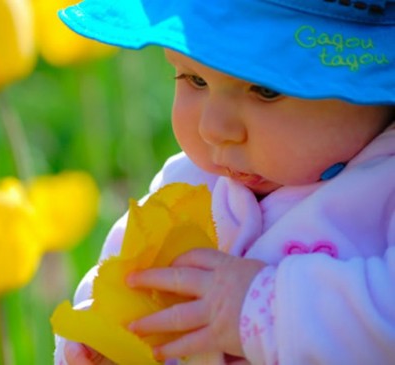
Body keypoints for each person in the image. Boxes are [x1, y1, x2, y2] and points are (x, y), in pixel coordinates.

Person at [54, 0, 395, 364]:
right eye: (195, 79)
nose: (213, 129)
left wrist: (260, 309)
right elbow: (124, 281)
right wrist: (103, 336)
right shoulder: (189, 183)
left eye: (266, 90)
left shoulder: (382, 191)